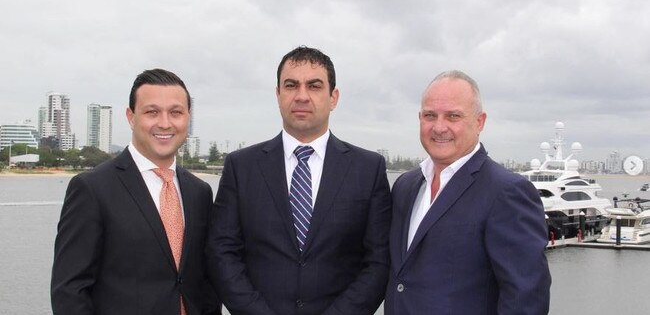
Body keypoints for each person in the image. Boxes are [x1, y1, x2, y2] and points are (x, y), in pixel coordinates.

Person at [206, 46, 391, 315]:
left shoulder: (368, 169)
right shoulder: (241, 166)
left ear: (333, 97)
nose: (301, 96)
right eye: (291, 85)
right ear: (278, 94)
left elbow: (378, 261)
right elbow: (222, 252)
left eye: (314, 86)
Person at [51, 69, 221, 315]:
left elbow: (204, 280)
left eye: (175, 112)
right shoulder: (92, 189)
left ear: (188, 117)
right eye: (152, 112)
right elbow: (69, 290)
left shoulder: (200, 192)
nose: (164, 123)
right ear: (131, 117)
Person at [385, 71, 551, 314]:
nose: (439, 127)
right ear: (420, 118)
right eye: (430, 115)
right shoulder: (405, 186)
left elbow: (525, 298)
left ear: (480, 122)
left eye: (453, 116)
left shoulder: (507, 191)